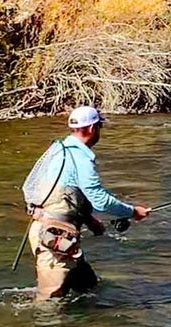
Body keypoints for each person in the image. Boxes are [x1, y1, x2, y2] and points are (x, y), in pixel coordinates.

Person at [27, 106, 150, 299]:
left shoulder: (59, 150)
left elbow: (63, 195)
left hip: (47, 232)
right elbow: (100, 200)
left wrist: (89, 221)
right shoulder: (80, 158)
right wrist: (132, 212)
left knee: (88, 287)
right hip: (55, 239)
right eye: (99, 126)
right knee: (49, 306)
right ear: (92, 128)